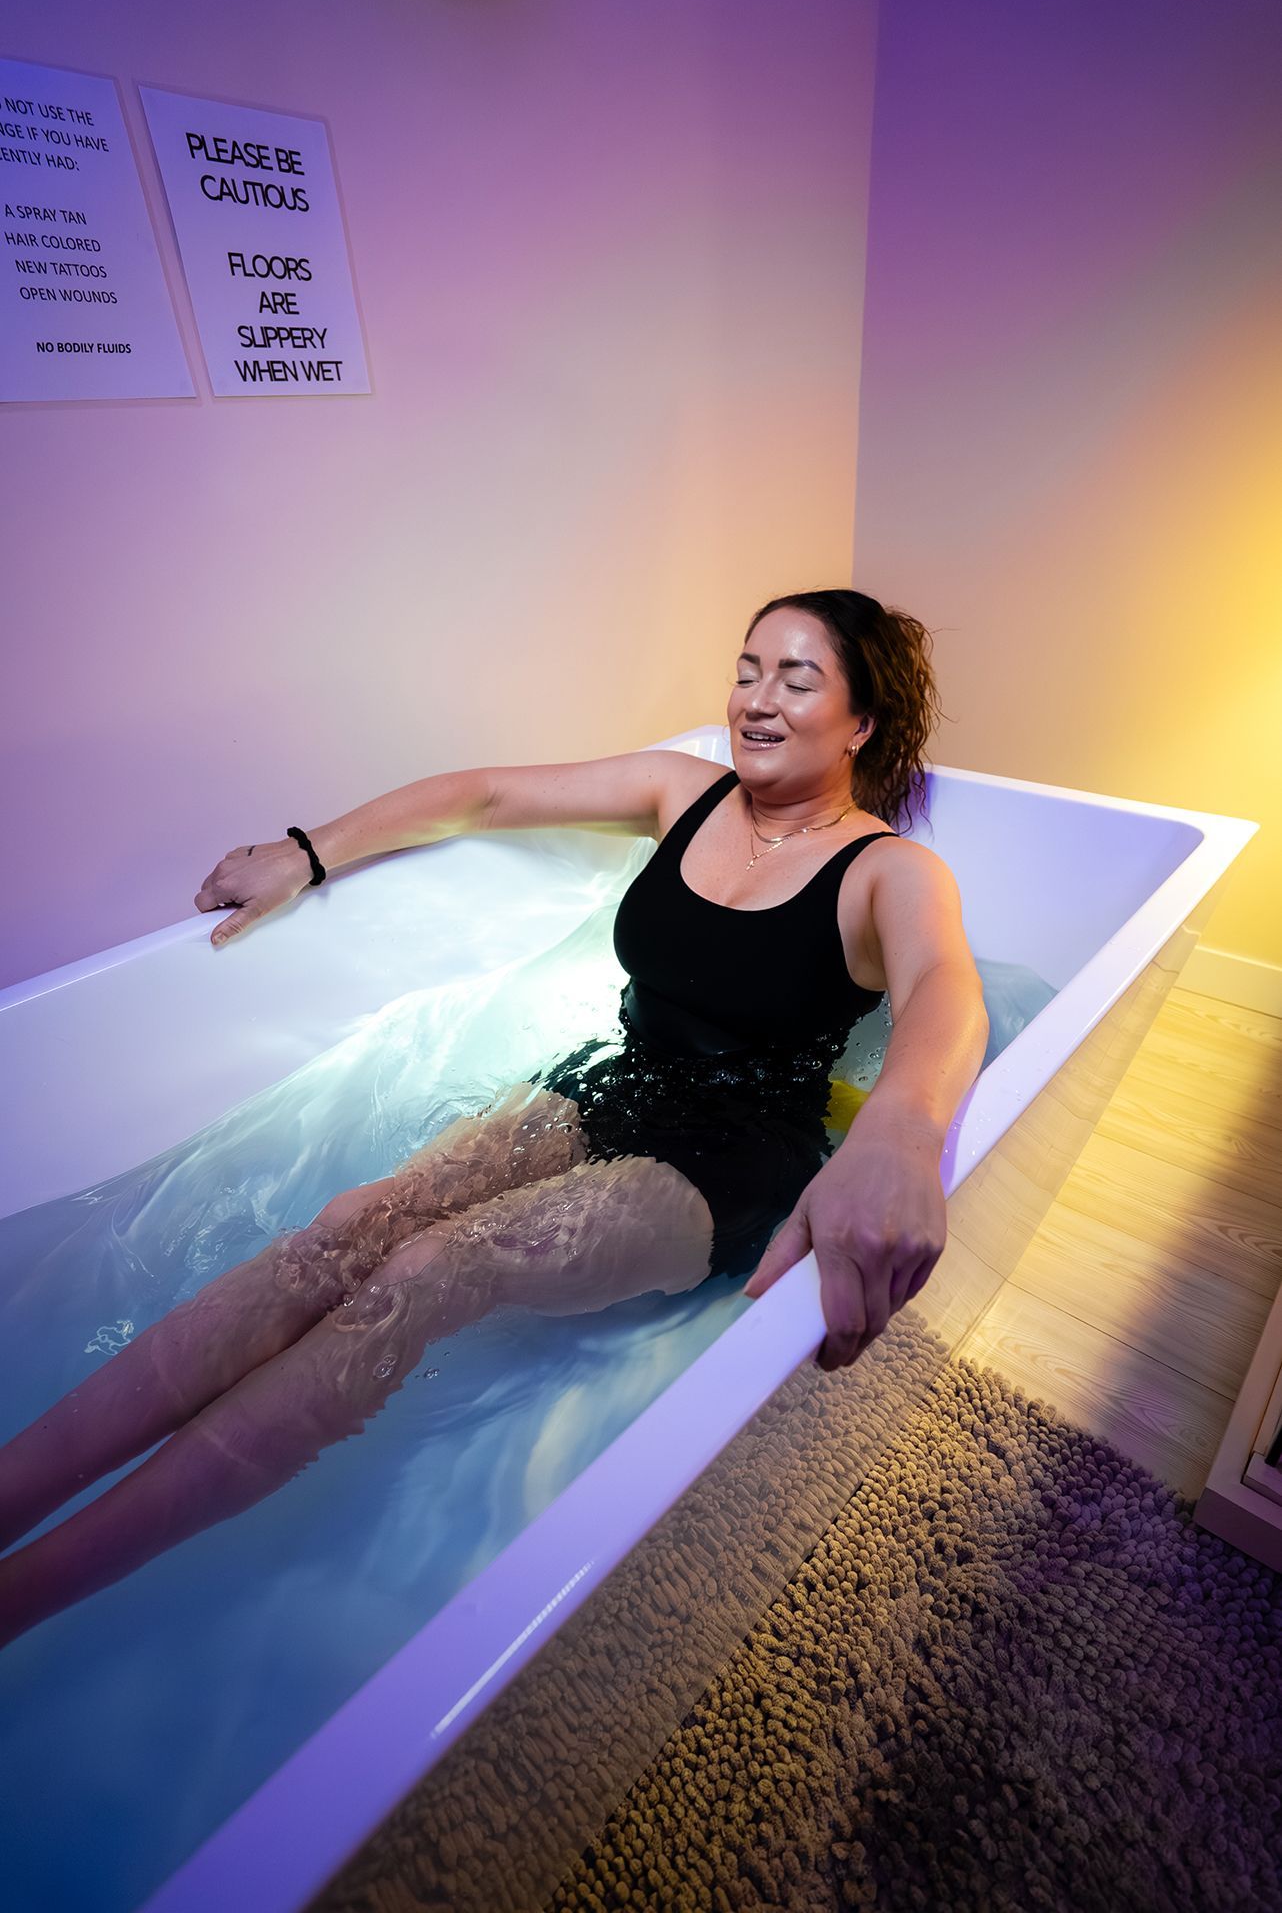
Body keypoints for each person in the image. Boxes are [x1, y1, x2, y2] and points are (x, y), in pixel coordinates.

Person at [0, 589, 989, 1645]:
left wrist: (900, 1131)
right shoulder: (684, 794)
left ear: (861, 722)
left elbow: (944, 989)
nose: (757, 699)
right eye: (748, 668)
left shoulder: (889, 869)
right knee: (347, 1226)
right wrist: (309, 850)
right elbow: (482, 797)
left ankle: (29, 1594)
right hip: (612, 1080)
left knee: (432, 1270)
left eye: (797, 679)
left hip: (732, 1156)